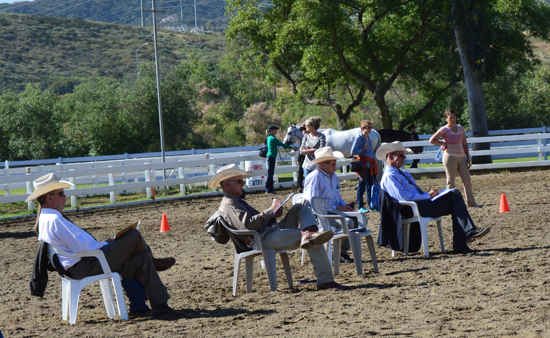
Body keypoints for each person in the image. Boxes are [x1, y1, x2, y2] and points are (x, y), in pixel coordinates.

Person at [26, 173, 180, 317]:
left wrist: (104, 244)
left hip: (84, 262)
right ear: (50, 198)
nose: (65, 196)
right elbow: (83, 247)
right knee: (133, 235)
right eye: (60, 193)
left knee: (141, 259)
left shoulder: (47, 218)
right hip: (85, 264)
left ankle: (160, 306)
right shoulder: (55, 220)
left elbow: (80, 245)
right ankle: (153, 263)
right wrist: (105, 244)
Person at [210, 164, 350, 290]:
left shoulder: (234, 202)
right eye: (240, 182)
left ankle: (308, 232)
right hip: (261, 238)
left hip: (268, 232)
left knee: (301, 204)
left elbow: (254, 222)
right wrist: (270, 210)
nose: (243, 185)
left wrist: (273, 214)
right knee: (314, 238)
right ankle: (325, 279)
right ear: (228, 184)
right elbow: (248, 225)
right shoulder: (229, 204)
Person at [376, 141, 491, 254]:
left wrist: (428, 194)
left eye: (404, 156)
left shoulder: (401, 173)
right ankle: (464, 237)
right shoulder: (389, 176)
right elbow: (404, 197)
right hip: (412, 208)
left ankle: (464, 238)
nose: (403, 158)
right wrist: (427, 195)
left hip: (418, 204)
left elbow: (409, 194)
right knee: (455, 200)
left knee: (454, 196)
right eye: (401, 156)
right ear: (390, 156)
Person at [303, 147, 356, 263]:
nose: (334, 164)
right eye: (331, 162)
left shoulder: (334, 177)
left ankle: (341, 251)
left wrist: (346, 206)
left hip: (332, 213)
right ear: (321, 164)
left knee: (356, 218)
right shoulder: (314, 177)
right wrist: (336, 208)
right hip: (319, 217)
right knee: (348, 222)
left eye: (335, 161)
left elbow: (338, 198)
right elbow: (312, 204)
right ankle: (335, 253)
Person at [429, 109, 482, 208]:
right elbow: (432, 140)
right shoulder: (444, 129)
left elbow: (465, 144)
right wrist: (443, 143)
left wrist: (467, 157)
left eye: (454, 117)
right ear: (446, 119)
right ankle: (452, 204)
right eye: (450, 118)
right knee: (451, 181)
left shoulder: (460, 128)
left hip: (461, 157)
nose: (453, 120)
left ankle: (471, 203)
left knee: (467, 179)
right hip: (450, 157)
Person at [350, 120, 377, 213]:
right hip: (363, 164)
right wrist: (362, 149)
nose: (369, 129)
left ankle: (371, 204)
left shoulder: (368, 138)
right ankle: (360, 206)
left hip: (370, 164)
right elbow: (352, 151)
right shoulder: (359, 138)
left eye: (370, 127)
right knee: (362, 185)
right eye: (367, 127)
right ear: (362, 128)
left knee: (370, 185)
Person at [265, 125, 296, 194]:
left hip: (270, 156)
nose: (276, 131)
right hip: (271, 157)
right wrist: (292, 148)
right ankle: (268, 189)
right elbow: (282, 144)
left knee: (270, 173)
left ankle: (269, 189)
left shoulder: (269, 137)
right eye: (275, 130)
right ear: (272, 130)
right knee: (270, 173)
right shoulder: (273, 138)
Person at [296, 125, 307, 192]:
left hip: (304, 157)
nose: (303, 132)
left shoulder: (304, 139)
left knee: (301, 172)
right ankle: (300, 186)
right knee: (301, 172)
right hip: (304, 157)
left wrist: (299, 159)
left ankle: (300, 186)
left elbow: (301, 150)